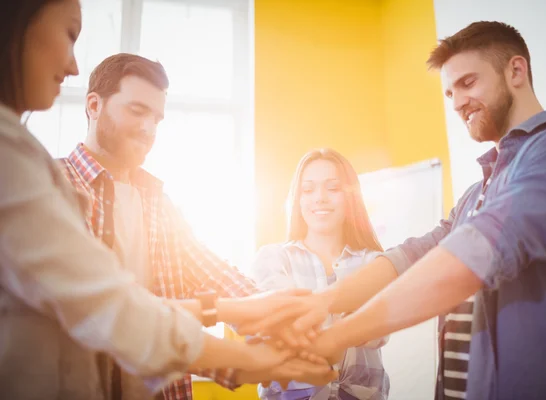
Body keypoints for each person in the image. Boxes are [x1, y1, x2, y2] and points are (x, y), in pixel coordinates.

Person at [243, 21, 546, 400]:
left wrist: (338, 336)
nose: (458, 102)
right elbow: (413, 255)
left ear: (516, 70)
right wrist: (323, 303)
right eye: (450, 92)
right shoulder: (475, 194)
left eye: (468, 83)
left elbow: (473, 255)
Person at [0, 2, 333, 399]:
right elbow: (114, 309)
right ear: (93, 106)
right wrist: (251, 356)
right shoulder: (51, 184)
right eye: (138, 110)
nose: (148, 129)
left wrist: (281, 317)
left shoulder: (155, 199)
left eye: (157, 119)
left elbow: (210, 273)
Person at [250, 149, 389, 400]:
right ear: (298, 199)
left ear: (350, 198)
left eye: (332, 188)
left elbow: (380, 329)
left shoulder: (374, 263)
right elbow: (279, 324)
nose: (320, 198)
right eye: (308, 189)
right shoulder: (273, 259)